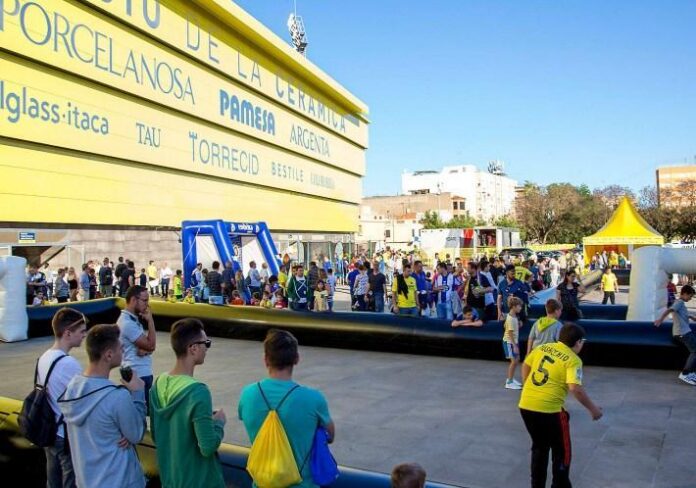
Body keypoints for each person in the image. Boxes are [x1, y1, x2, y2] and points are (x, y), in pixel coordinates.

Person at [238, 329, 335, 488]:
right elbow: (330, 436)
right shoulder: (313, 399)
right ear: (296, 359)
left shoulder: (248, 394)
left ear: (266, 360)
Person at [58, 324, 147, 488]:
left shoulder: (72, 389)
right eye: (121, 347)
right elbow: (136, 434)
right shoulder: (117, 397)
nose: (124, 351)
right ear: (109, 355)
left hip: (87, 481)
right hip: (120, 481)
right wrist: (138, 393)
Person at [519, 323, 603, 488]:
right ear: (578, 342)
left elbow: (526, 365)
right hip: (550, 412)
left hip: (526, 405)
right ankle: (560, 484)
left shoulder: (542, 348)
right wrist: (593, 410)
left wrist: (528, 386)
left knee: (539, 448)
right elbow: (575, 388)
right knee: (562, 452)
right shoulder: (573, 360)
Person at [149, 318, 226, 488]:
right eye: (206, 343)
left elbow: (156, 435)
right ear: (193, 348)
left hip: (171, 480)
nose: (207, 348)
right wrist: (219, 423)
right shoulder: (198, 392)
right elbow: (207, 447)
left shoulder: (157, 385)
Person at [38, 308, 87, 488]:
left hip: (50, 431)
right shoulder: (68, 364)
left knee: (53, 480)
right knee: (70, 481)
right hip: (66, 436)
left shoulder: (44, 357)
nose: (84, 335)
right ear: (67, 333)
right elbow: (84, 400)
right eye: (81, 331)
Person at [117, 285, 157, 409]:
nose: (147, 305)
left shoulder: (132, 320)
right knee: (140, 412)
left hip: (139, 372)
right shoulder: (127, 323)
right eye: (144, 300)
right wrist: (150, 321)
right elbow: (151, 345)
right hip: (138, 374)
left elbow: (148, 347)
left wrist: (146, 350)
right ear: (134, 300)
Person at [654, 284, 696, 385]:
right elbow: (670, 310)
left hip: (683, 332)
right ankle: (686, 373)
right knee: (695, 351)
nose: (690, 298)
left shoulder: (680, 303)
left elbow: (679, 314)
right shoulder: (679, 302)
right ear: (685, 294)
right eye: (690, 296)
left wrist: (690, 316)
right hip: (683, 332)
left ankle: (691, 372)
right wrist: (660, 319)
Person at [503, 297, 524, 389]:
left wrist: (518, 325)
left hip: (514, 342)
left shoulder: (513, 316)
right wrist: (514, 346)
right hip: (510, 342)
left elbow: (505, 326)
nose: (521, 308)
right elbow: (510, 333)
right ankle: (509, 382)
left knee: (517, 359)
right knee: (514, 361)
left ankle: (510, 379)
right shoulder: (511, 318)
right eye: (519, 306)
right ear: (514, 307)